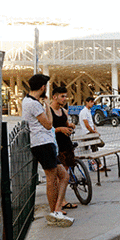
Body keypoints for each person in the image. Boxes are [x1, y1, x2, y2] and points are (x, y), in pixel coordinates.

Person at [22, 74, 74, 227]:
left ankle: (57, 209)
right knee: (52, 180)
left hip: (45, 143)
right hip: (42, 144)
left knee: (64, 176)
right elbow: (48, 124)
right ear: (43, 87)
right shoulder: (34, 104)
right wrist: (47, 108)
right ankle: (54, 212)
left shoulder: (27, 100)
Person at [50, 86, 78, 211]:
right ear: (54, 97)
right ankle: (59, 202)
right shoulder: (49, 111)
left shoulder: (63, 111)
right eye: (62, 96)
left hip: (66, 143)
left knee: (65, 173)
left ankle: (63, 200)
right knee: (59, 176)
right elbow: (48, 129)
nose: (65, 99)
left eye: (65, 96)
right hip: (56, 145)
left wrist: (69, 125)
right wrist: (60, 129)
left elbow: (65, 123)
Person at [79, 96, 108, 170]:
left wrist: (95, 130)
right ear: (87, 102)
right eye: (91, 102)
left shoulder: (88, 111)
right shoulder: (84, 112)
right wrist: (93, 132)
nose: (92, 104)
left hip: (91, 133)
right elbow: (86, 124)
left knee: (96, 147)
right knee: (97, 146)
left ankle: (99, 165)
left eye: (93, 102)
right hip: (87, 133)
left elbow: (91, 123)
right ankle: (99, 165)